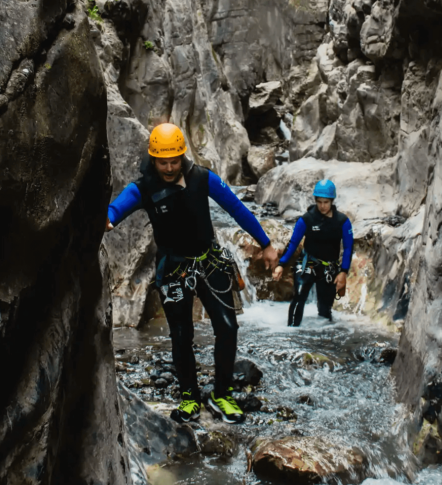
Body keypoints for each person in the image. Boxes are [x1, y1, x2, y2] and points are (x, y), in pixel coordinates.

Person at [106, 123, 278, 424]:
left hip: (209, 262)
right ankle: (189, 396)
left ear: (182, 155)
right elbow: (113, 213)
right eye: (163, 161)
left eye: (174, 160)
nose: (170, 167)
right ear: (153, 159)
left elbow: (237, 209)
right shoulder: (144, 187)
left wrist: (266, 243)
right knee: (181, 333)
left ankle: (221, 393)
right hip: (173, 268)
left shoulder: (202, 178)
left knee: (227, 327)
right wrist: (103, 221)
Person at [272, 180, 353, 326]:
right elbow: (293, 243)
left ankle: (323, 337)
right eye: (319, 202)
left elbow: (348, 247)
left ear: (332, 201)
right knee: (299, 297)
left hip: (329, 267)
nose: (322, 206)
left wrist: (343, 272)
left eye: (326, 202)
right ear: (315, 200)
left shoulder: (342, 221)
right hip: (307, 263)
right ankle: (291, 331)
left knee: (325, 307)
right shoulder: (306, 219)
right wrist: (281, 264)